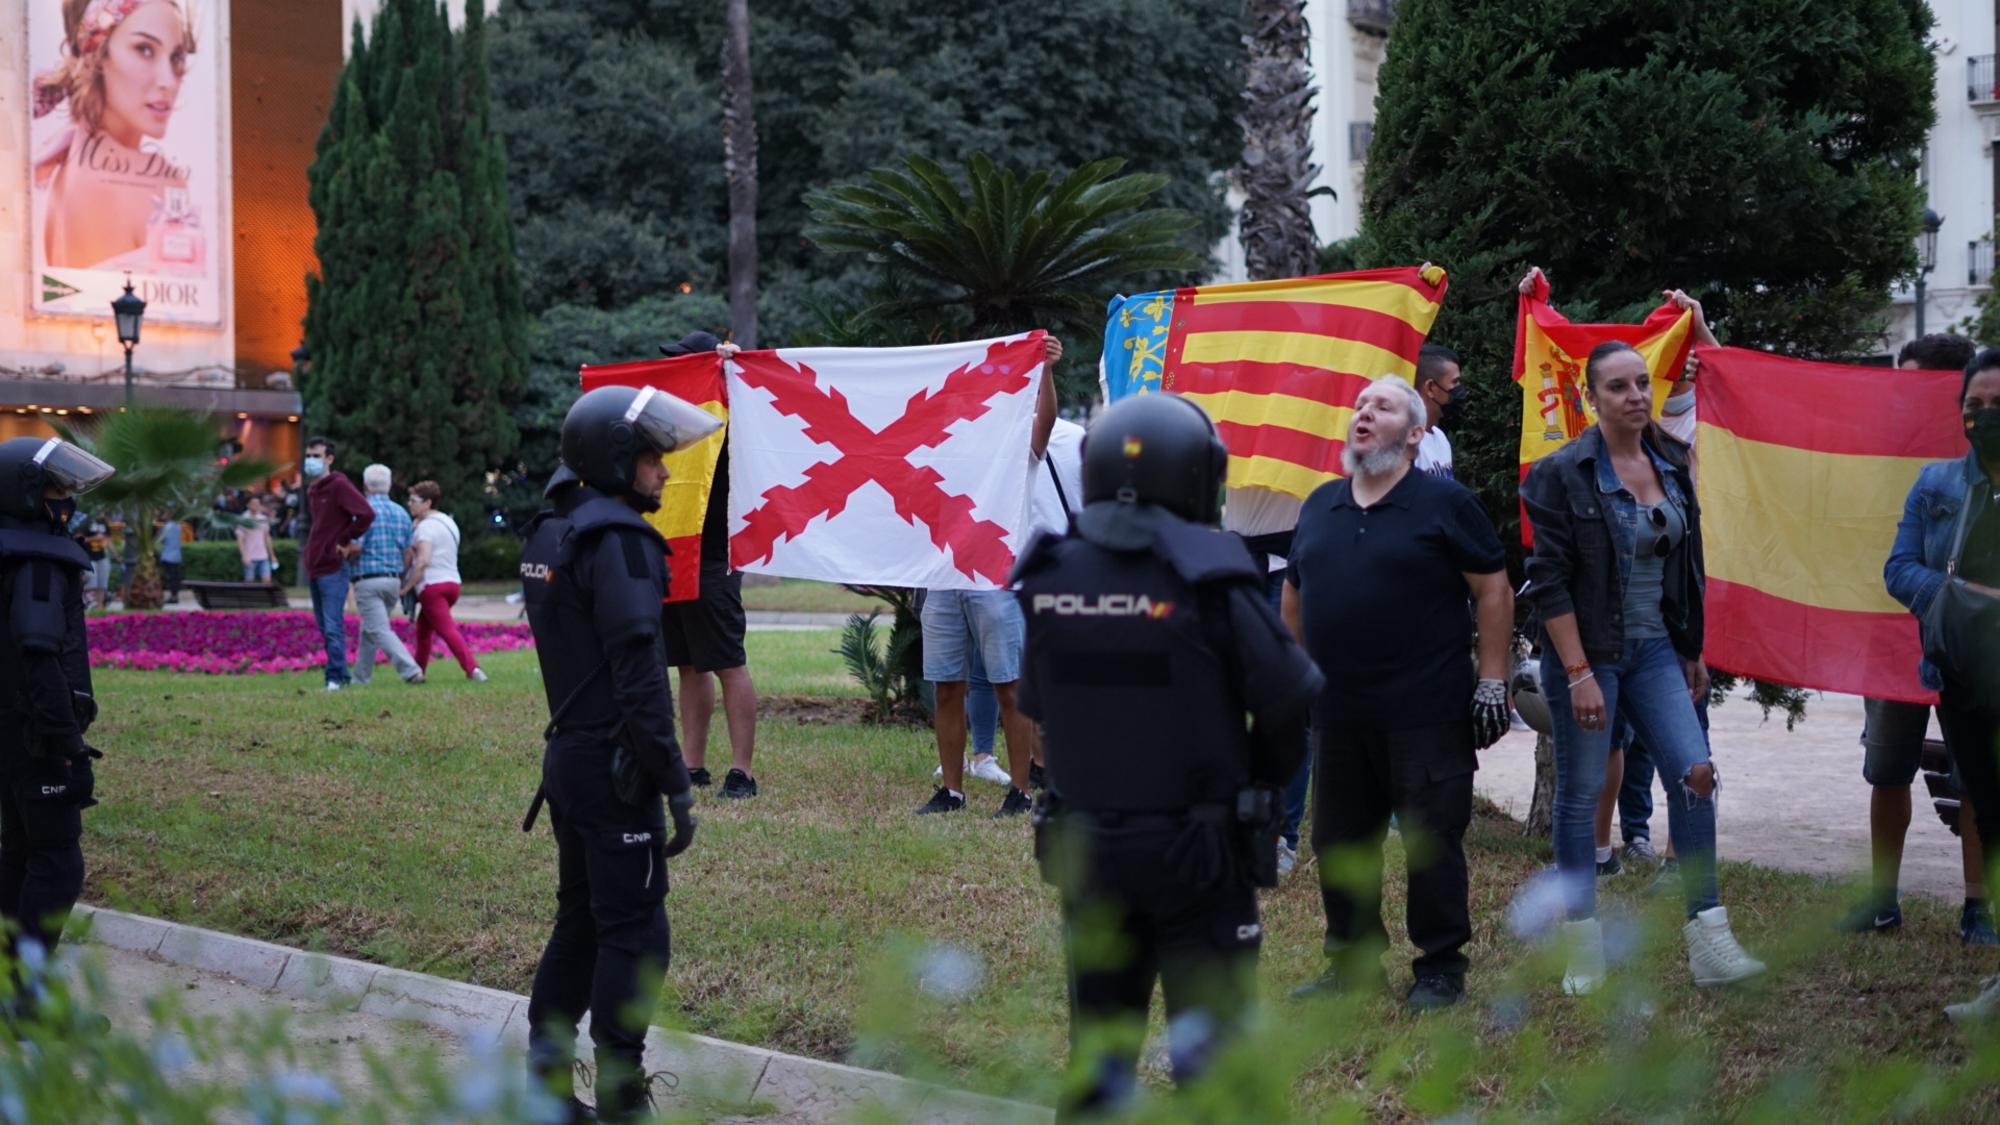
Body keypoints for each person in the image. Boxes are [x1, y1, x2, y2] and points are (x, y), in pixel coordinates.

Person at [1013, 393, 1321, 1114]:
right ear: (1196, 476)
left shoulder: (1053, 576)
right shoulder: (1209, 576)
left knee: (1098, 1050)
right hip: (1197, 851)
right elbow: (1287, 697)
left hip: (1088, 846)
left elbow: (1038, 709)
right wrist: (1257, 783)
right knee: (1216, 1063)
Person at [1522, 338, 1765, 995]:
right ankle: (1584, 947)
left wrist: (1691, 647)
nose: (1635, 396)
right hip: (1588, 652)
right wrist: (1575, 673)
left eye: (1640, 384)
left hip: (1657, 648)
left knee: (1696, 772)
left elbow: (1684, 565)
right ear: (1590, 398)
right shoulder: (1561, 473)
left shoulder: (1671, 461)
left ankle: (1709, 940)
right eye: (1619, 387)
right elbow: (1548, 581)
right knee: (1579, 797)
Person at [1283, 376, 1514, 1011]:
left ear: (1415, 433)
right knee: (1338, 843)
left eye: (1381, 406)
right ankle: (1351, 965)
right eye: (1359, 405)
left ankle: (1440, 968)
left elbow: (1493, 589)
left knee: (1430, 842)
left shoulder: (1444, 504)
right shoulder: (1319, 504)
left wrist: (1492, 679)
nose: (1363, 414)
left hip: (1427, 711)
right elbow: (1295, 595)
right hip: (1337, 713)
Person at [519, 384, 718, 1120]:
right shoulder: (622, 539)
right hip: (613, 765)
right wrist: (674, 781)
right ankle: (621, 1094)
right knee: (636, 931)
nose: (663, 472)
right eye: (650, 459)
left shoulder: (553, 529)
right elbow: (640, 680)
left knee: (579, 920)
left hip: (568, 757)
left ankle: (542, 1085)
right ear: (613, 461)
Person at [1840, 331, 1993, 945]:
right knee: (1887, 769)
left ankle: (1978, 908)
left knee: (1978, 776)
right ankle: (1882, 901)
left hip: (1981, 658)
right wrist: (1958, 604)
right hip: (1898, 635)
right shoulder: (1928, 476)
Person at [1886, 349, 2000, 1021]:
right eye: (1974, 405)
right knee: (1990, 815)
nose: (1984, 416)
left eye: (1997, 405)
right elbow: (1899, 567)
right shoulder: (1936, 486)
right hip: (1962, 679)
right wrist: (1958, 598)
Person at [915, 335, 1064, 818]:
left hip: (995, 580)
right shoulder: (939, 451)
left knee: (1009, 685)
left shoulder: (1013, 447)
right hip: (943, 578)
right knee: (946, 685)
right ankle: (952, 790)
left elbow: (1045, 422)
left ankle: (1019, 791)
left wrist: (1043, 370)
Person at [0, 436, 115, 994]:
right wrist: (70, 746)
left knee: (19, 854)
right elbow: (40, 657)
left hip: (10, 730)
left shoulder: (14, 551)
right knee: (56, 861)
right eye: (55, 486)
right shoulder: (39, 566)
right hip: (35, 734)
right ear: (25, 494)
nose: (66, 497)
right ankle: (29, 1000)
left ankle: (12, 988)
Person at [657, 332, 758, 798]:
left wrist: (734, 369)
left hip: (714, 555)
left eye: (683, 363)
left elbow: (762, 403)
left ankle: (742, 772)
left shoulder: (733, 414)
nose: (674, 371)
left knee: (727, 662)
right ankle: (691, 765)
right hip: (671, 553)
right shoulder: (668, 425)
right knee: (688, 665)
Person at [32, 0, 203, 271]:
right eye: (144, 49)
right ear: (97, 55)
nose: (168, 80)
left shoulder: (66, 163)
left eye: (176, 57)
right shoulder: (160, 180)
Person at [301, 438, 373, 692]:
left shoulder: (339, 485)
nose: (310, 460)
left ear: (329, 459)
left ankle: (335, 679)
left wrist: (344, 539)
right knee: (325, 626)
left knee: (332, 626)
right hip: (316, 564)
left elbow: (366, 513)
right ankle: (339, 674)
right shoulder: (314, 489)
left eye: (316, 455)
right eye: (308, 455)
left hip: (332, 567)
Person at [402, 480, 485, 682]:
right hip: (453, 584)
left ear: (427, 503)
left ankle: (473, 670)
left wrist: (406, 588)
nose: (409, 504)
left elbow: (422, 561)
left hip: (432, 587)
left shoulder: (425, 528)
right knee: (423, 630)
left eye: (414, 500)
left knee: (447, 630)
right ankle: (418, 672)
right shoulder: (448, 522)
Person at [347, 464, 422, 686]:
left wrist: (344, 557)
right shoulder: (401, 513)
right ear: (389, 485)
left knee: (378, 629)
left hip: (368, 580)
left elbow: (357, 547)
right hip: (392, 579)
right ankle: (360, 679)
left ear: (365, 485)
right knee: (370, 630)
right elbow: (408, 552)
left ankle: (410, 670)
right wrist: (401, 576)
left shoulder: (361, 511)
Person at [1412, 344, 1464, 478]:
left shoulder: (1440, 437)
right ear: (1430, 388)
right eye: (1454, 382)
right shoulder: (1409, 445)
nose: (1460, 390)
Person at [236, 495, 274, 582]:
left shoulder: (263, 519)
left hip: (263, 556)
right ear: (248, 505)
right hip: (250, 557)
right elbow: (240, 539)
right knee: (249, 582)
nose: (256, 506)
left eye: (258, 504)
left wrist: (272, 555)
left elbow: (267, 537)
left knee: (267, 581)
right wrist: (244, 556)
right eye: (253, 503)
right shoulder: (243, 519)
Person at [156, 514, 183, 605]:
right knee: (175, 577)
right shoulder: (178, 526)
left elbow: (160, 540)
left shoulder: (167, 527)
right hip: (176, 556)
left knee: (168, 577)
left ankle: (170, 597)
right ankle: (174, 596)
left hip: (168, 555)